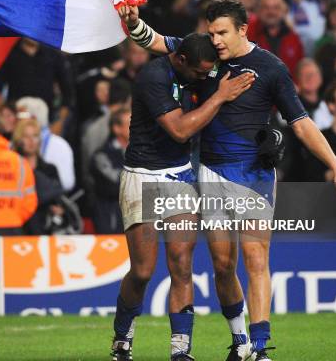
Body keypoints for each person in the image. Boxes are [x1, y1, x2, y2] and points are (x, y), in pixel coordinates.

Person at [120, 0, 336, 361]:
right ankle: (240, 341)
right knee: (222, 265)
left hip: (254, 173)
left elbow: (302, 123)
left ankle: (260, 349)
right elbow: (154, 41)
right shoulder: (204, 55)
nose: (215, 40)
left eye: (222, 32)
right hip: (210, 171)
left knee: (255, 257)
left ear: (243, 29)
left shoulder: (271, 68)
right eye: (211, 32)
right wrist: (134, 22)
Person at [107, 26, 255, 360]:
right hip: (142, 176)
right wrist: (219, 96)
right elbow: (179, 130)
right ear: (182, 60)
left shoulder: (196, 56)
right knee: (143, 271)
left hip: (179, 175)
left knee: (182, 263)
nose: (206, 77)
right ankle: (122, 337)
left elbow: (163, 39)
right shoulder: (153, 77)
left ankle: (180, 350)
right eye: (200, 73)